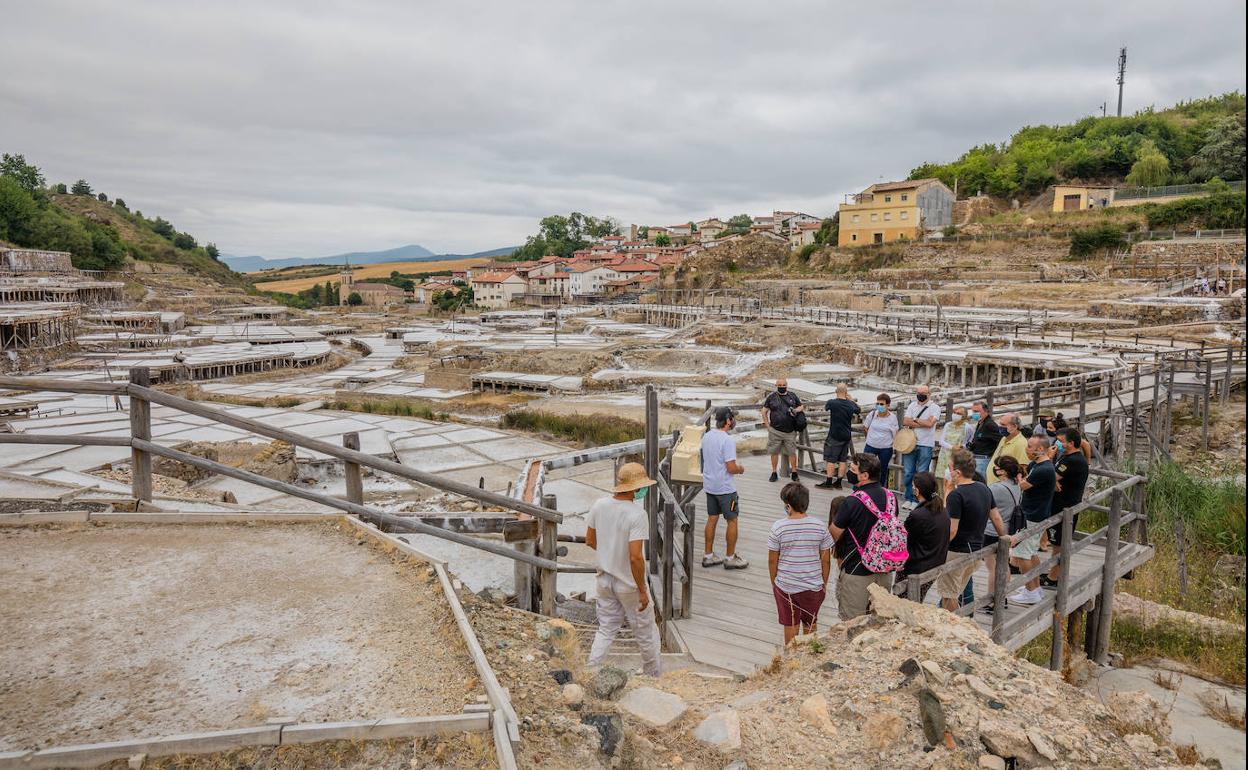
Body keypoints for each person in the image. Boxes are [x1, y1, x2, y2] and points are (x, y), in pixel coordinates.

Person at [585, 462, 662, 676]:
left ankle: (591, 669)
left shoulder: (599, 505)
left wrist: (609, 551)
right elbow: (636, 557)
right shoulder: (637, 514)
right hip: (628, 583)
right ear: (637, 488)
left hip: (604, 580)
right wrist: (643, 591)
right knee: (645, 630)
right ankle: (652, 673)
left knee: (606, 629)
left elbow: (590, 540)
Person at [938, 449, 1011, 612]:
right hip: (977, 550)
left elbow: (952, 529)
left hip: (957, 550)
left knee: (949, 595)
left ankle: (953, 625)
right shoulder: (984, 488)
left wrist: (938, 548)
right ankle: (959, 620)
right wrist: (1004, 538)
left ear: (957, 471)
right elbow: (996, 518)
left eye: (949, 467)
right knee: (955, 592)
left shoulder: (956, 495)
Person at [829, 452, 897, 619]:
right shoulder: (891, 497)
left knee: (852, 621)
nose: (849, 472)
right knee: (880, 619)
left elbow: (834, 533)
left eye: (853, 469)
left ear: (864, 475)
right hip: (884, 567)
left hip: (857, 569)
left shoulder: (852, 501)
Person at [767, 482, 834, 643]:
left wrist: (775, 582)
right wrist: (823, 583)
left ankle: (791, 659)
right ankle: (809, 656)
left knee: (791, 625)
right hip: (813, 585)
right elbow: (825, 560)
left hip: (786, 586)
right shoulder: (819, 526)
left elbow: (772, 560)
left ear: (788, 506)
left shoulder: (778, 528)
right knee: (810, 624)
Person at [1008, 436, 1057, 606]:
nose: (1027, 449)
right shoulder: (1037, 465)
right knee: (1031, 552)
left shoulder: (1044, 469)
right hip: (1035, 513)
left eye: (1029, 447)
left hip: (1032, 516)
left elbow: (1023, 485)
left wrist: (1019, 479)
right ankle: (1035, 587)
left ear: (1041, 450)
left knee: (1022, 555)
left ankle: (1030, 591)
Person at [1041, 427, 1090, 589]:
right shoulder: (1067, 457)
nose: (1057, 444)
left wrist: (1048, 459)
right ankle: (1052, 573)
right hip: (1060, 505)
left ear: (1071, 443)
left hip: (1065, 508)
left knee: (1059, 545)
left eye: (1061, 441)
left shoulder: (1073, 461)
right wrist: (1053, 481)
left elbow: (1049, 477)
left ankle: (1053, 579)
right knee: (1056, 543)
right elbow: (1052, 479)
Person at [700, 406, 749, 570]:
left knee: (712, 518)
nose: (733, 421)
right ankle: (730, 558)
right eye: (732, 418)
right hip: (725, 489)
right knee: (732, 520)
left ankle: (708, 556)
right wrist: (740, 469)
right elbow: (731, 467)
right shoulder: (727, 440)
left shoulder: (706, 436)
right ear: (728, 420)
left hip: (710, 485)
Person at [900, 471, 949, 602]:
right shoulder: (943, 511)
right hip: (935, 565)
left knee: (904, 602)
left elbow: (903, 536)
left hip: (916, 567)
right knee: (917, 600)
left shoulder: (918, 515)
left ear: (917, 490)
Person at [984, 455, 1023, 613]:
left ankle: (993, 600)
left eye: (998, 467)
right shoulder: (1017, 485)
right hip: (1009, 529)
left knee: (992, 567)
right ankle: (1003, 596)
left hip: (992, 530)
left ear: (1003, 472)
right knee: (1003, 565)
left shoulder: (996, 488)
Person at [901, 385, 939, 508]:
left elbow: (930, 424)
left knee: (922, 473)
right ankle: (909, 497)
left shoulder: (935, 407)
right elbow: (905, 421)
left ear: (929, 394)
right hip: (910, 443)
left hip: (925, 444)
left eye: (923, 393)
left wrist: (915, 419)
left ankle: (919, 500)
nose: (920, 395)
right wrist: (922, 421)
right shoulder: (912, 405)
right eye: (918, 392)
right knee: (908, 472)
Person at [817, 384, 859, 489]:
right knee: (842, 460)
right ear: (846, 392)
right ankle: (839, 482)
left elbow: (826, 407)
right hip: (846, 435)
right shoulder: (850, 404)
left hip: (834, 435)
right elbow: (858, 410)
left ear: (836, 391)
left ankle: (828, 482)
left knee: (831, 459)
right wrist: (851, 399)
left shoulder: (832, 402)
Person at [762, 378, 804, 483]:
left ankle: (794, 472)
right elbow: (764, 411)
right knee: (774, 452)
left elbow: (801, 406)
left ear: (787, 385)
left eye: (783, 385)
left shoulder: (792, 396)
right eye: (779, 385)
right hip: (775, 430)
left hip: (790, 431)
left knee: (792, 452)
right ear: (776, 385)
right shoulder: (771, 397)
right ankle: (774, 472)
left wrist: (795, 410)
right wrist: (768, 426)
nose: (781, 386)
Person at [862, 393, 898, 488]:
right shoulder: (873, 414)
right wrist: (869, 438)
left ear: (888, 405)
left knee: (882, 471)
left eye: (881, 404)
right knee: (865, 468)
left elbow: (895, 433)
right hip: (870, 446)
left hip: (885, 449)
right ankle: (861, 488)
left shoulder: (893, 418)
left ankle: (880, 489)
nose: (879, 406)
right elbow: (865, 427)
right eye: (877, 403)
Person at [934, 405, 972, 494]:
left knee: (954, 480)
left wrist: (963, 447)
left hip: (957, 457)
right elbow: (941, 441)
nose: (955, 415)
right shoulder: (948, 425)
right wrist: (952, 447)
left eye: (958, 413)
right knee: (941, 479)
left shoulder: (967, 427)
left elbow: (969, 441)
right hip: (944, 455)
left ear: (964, 416)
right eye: (954, 412)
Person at [988, 413, 1028, 485]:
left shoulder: (1021, 443)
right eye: (1000, 424)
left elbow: (1023, 468)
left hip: (1004, 488)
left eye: (1003, 425)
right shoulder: (1004, 438)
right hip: (993, 484)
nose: (1000, 427)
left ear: (1015, 426)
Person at [966, 400, 1001, 479]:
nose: (974, 414)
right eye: (973, 411)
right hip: (976, 457)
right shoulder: (980, 422)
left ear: (986, 411)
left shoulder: (990, 425)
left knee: (980, 482)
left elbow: (1000, 440)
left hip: (983, 459)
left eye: (976, 411)